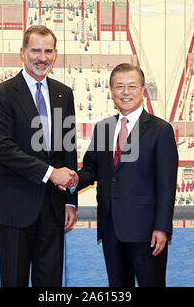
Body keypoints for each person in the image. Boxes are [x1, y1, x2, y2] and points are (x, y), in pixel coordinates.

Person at [69, 63, 178, 287]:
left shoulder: (160, 130)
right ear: (111, 91)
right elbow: (92, 169)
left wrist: (162, 227)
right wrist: (71, 180)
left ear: (142, 90)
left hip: (147, 232)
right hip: (111, 229)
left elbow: (167, 185)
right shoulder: (103, 128)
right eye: (119, 87)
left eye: (131, 86)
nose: (125, 92)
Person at [0, 25, 78, 287]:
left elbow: (67, 149)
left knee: (50, 284)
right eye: (35, 50)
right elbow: (3, 148)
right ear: (23, 53)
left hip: (53, 207)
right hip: (14, 207)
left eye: (48, 51)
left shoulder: (64, 94)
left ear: (55, 54)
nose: (42, 57)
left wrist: (70, 200)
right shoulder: (3, 94)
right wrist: (51, 173)